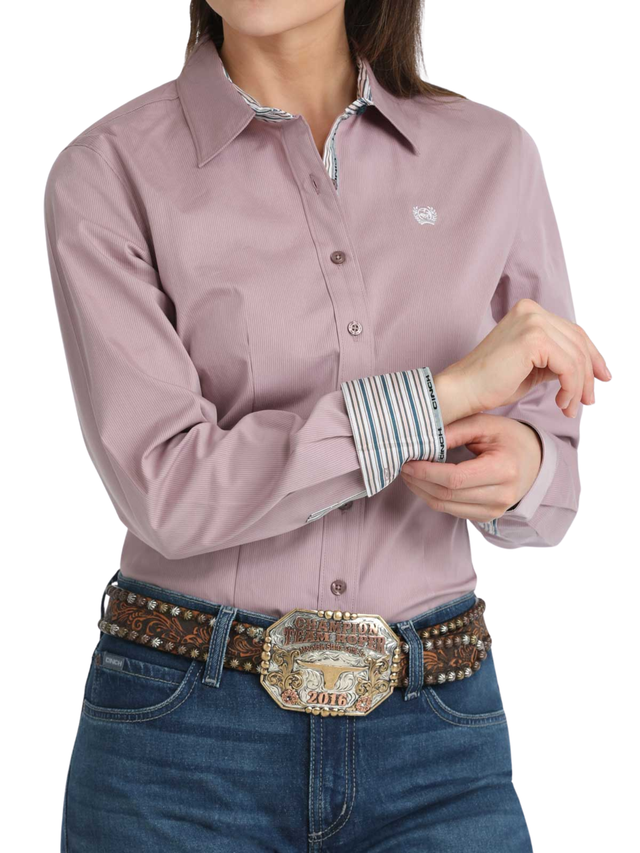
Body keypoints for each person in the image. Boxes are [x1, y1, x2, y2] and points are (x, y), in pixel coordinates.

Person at [44, 2, 610, 851]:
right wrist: (435, 399)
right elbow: (168, 489)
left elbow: (553, 460)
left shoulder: (493, 157)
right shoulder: (109, 172)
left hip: (438, 738)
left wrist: (526, 466)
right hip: (180, 744)